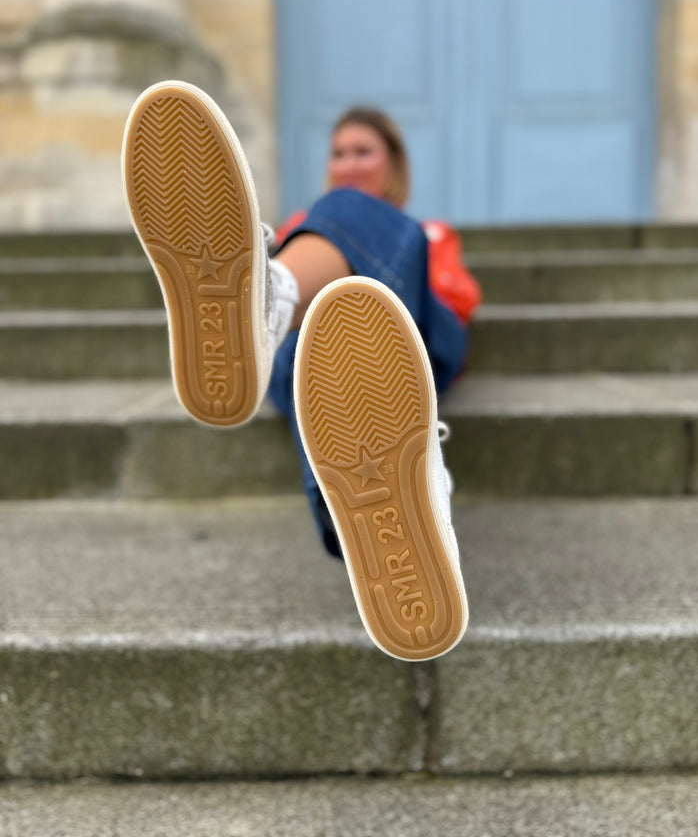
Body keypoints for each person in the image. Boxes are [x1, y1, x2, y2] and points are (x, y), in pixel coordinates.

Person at [121, 81, 473, 661]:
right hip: (317, 347)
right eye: (339, 153)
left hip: (419, 336)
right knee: (312, 355)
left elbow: (457, 301)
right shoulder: (309, 223)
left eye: (363, 152)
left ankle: (270, 299)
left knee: (355, 256)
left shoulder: (430, 232)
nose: (349, 163)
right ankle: (272, 303)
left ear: (394, 164)